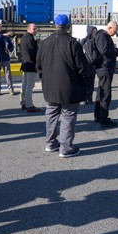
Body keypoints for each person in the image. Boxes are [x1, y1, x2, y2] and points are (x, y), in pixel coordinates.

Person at [36, 14, 89, 158]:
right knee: (68, 115)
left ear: (55, 25)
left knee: (51, 114)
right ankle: (66, 148)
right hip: (69, 87)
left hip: (49, 87)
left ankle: (51, 143)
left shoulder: (44, 43)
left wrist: (45, 79)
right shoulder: (73, 43)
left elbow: (38, 65)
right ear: (68, 26)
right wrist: (84, 84)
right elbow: (82, 68)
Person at [93, 21, 118, 127]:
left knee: (101, 93)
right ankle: (103, 119)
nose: (115, 33)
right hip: (105, 69)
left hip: (103, 68)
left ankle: (98, 116)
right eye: (115, 31)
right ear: (109, 28)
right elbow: (105, 51)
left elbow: (107, 49)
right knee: (105, 94)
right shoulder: (102, 35)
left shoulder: (102, 35)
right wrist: (116, 52)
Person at [19, 23, 42, 113]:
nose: (36, 30)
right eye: (34, 28)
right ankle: (29, 105)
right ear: (28, 29)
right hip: (31, 64)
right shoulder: (30, 39)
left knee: (24, 84)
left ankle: (23, 102)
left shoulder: (24, 37)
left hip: (25, 64)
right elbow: (34, 53)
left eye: (36, 28)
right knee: (30, 85)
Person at [79, 25, 97, 104]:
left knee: (91, 83)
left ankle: (89, 98)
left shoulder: (95, 41)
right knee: (84, 83)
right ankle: (84, 98)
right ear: (90, 32)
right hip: (85, 65)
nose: (95, 33)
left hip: (92, 65)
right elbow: (79, 52)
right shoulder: (84, 41)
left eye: (95, 32)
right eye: (93, 32)